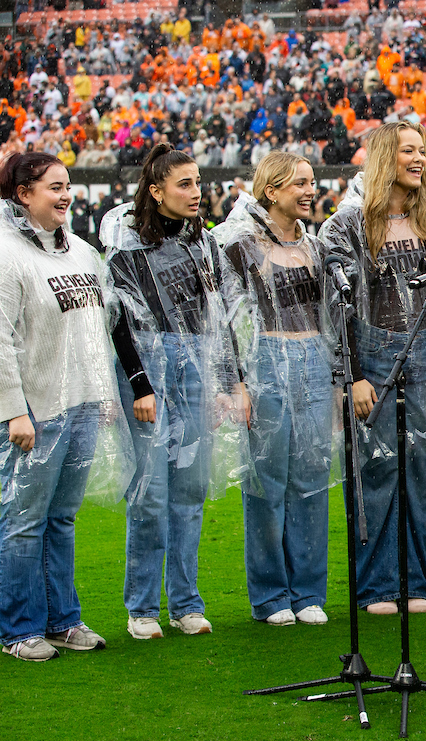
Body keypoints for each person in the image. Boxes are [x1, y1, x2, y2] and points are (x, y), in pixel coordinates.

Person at [0, 152, 146, 660]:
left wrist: (103, 392)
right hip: (34, 410)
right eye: (53, 188)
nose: (65, 196)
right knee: (22, 520)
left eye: (67, 187)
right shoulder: (5, 253)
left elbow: (98, 330)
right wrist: (13, 409)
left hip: (82, 406)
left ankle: (62, 620)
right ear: (23, 194)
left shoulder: (83, 253)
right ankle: (18, 629)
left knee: (61, 518)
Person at [102, 144, 250, 640]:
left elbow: (221, 317)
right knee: (150, 490)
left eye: (197, 183)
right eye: (183, 184)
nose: (195, 193)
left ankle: (186, 602)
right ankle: (142, 606)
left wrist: (229, 381)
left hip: (194, 367)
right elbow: (119, 320)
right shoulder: (125, 247)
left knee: (190, 488)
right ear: (155, 189)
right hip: (147, 369)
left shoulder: (201, 243)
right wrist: (139, 384)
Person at [319, 122, 426, 615]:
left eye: (422, 150)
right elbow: (337, 310)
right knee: (375, 468)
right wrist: (353, 374)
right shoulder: (346, 225)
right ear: (384, 158)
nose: (420, 158)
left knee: (422, 470)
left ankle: (414, 583)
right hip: (373, 357)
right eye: (408, 151)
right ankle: (376, 586)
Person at [214, 152, 332, 627]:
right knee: (266, 482)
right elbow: (223, 320)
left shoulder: (317, 245)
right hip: (265, 361)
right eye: (299, 183)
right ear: (272, 190)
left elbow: (332, 316)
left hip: (314, 361)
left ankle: (308, 591)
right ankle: (269, 595)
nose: (310, 190)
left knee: (311, 479)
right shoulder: (238, 245)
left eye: (311, 181)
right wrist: (236, 382)